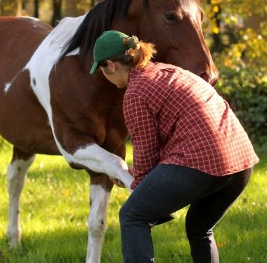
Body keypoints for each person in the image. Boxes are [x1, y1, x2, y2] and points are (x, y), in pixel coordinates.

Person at [90, 30, 259, 263]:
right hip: (240, 161)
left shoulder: (136, 92)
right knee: (200, 228)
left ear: (110, 65)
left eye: (101, 71)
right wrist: (140, 177)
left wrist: (137, 183)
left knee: (132, 215)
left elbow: (147, 153)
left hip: (200, 161)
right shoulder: (169, 71)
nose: (104, 77)